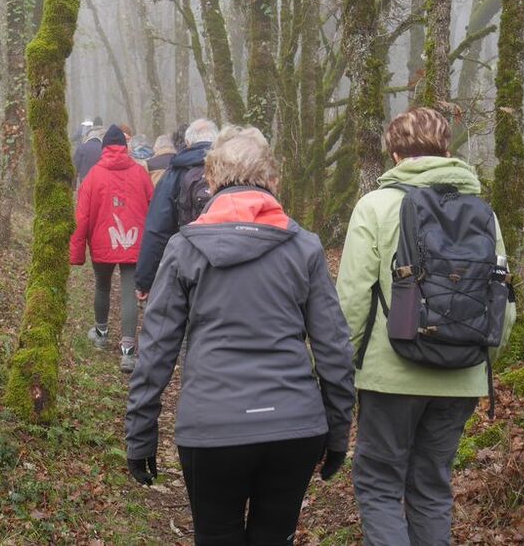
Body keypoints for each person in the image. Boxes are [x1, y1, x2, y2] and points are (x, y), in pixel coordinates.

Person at [125, 125, 355, 545]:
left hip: (213, 426)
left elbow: (156, 351)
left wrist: (141, 435)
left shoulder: (184, 248)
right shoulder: (303, 247)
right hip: (293, 424)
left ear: (211, 179)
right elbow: (334, 349)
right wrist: (337, 432)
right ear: (272, 180)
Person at [337, 107, 516, 546]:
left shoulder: (376, 206)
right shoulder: (483, 212)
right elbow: (502, 301)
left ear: (394, 154)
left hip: (390, 375)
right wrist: (480, 360)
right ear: (446, 149)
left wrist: (341, 366)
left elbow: (353, 297)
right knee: (432, 486)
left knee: (380, 483)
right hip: (461, 375)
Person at [70, 125, 155, 372]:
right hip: (134, 241)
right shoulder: (140, 174)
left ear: (104, 148)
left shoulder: (94, 176)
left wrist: (76, 252)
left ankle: (101, 333)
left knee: (102, 285)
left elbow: (81, 217)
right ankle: (128, 352)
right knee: (129, 292)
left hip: (102, 241)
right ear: (125, 147)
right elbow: (153, 208)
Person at [134, 118, 218, 299]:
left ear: (187, 142)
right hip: (225, 268)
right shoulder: (233, 170)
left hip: (185, 264)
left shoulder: (175, 174)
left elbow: (157, 229)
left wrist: (145, 280)